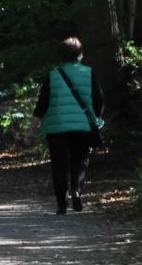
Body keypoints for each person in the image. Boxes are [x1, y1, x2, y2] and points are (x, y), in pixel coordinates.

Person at [31, 37, 105, 214]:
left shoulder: (53, 75)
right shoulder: (89, 72)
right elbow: (99, 100)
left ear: (61, 56)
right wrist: (95, 118)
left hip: (56, 128)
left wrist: (31, 130)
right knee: (80, 160)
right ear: (80, 55)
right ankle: (77, 192)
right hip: (82, 127)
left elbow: (41, 104)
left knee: (59, 164)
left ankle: (62, 204)